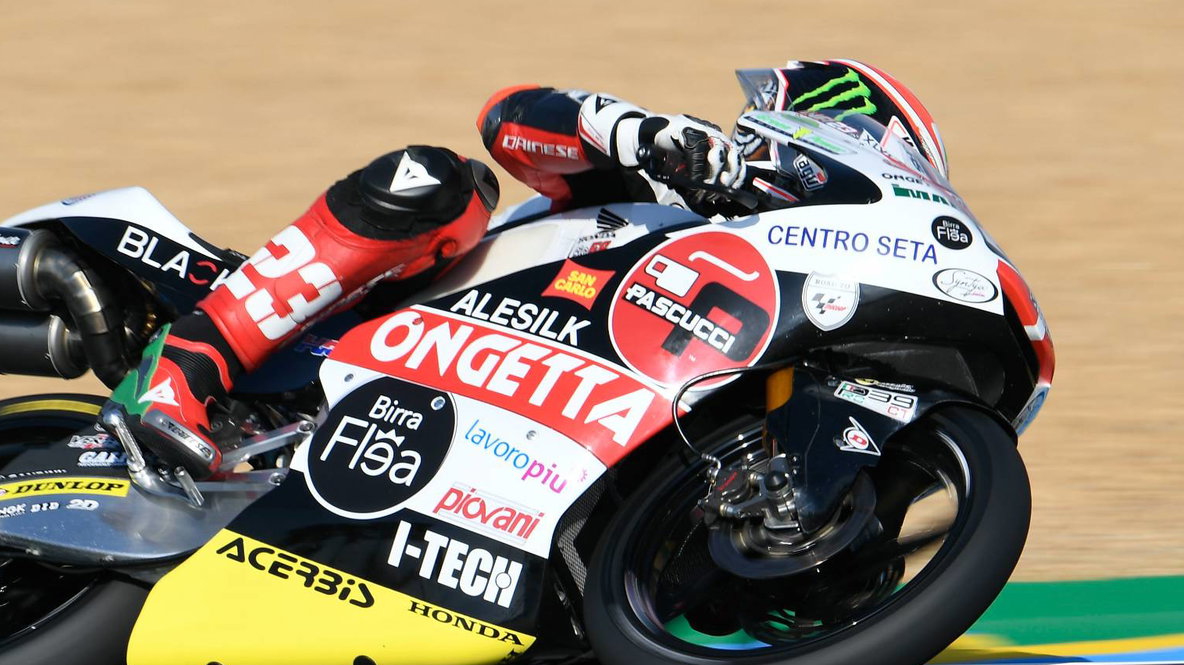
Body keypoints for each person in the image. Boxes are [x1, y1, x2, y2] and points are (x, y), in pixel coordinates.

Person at [104, 59, 948, 479]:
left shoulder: (751, 325)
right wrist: (646, 137)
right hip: (363, 334)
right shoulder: (673, 184)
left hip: (474, 440)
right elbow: (507, 121)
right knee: (439, 181)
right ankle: (183, 369)